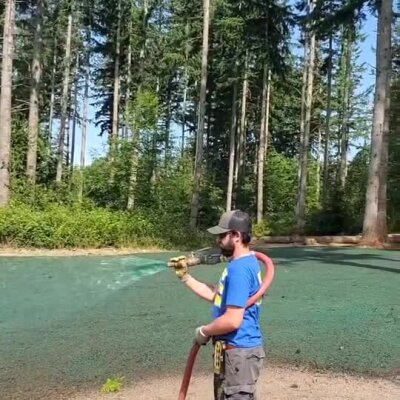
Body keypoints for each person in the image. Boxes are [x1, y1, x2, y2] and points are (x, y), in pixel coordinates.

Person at [170, 210, 266, 400]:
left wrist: (205, 331)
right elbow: (218, 295)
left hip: (239, 352)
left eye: (222, 235)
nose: (218, 241)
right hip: (234, 353)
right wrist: (185, 277)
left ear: (236, 236)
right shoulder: (242, 264)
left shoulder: (239, 269)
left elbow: (232, 320)